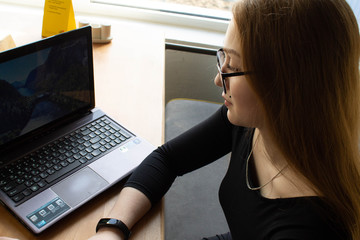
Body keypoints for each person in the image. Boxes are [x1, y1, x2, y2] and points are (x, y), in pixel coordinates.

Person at [89, 0, 360, 239]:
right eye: (223, 58)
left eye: (234, 67)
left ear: (286, 85)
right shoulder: (255, 122)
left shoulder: (308, 228)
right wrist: (113, 229)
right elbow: (168, 159)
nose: (219, 78)